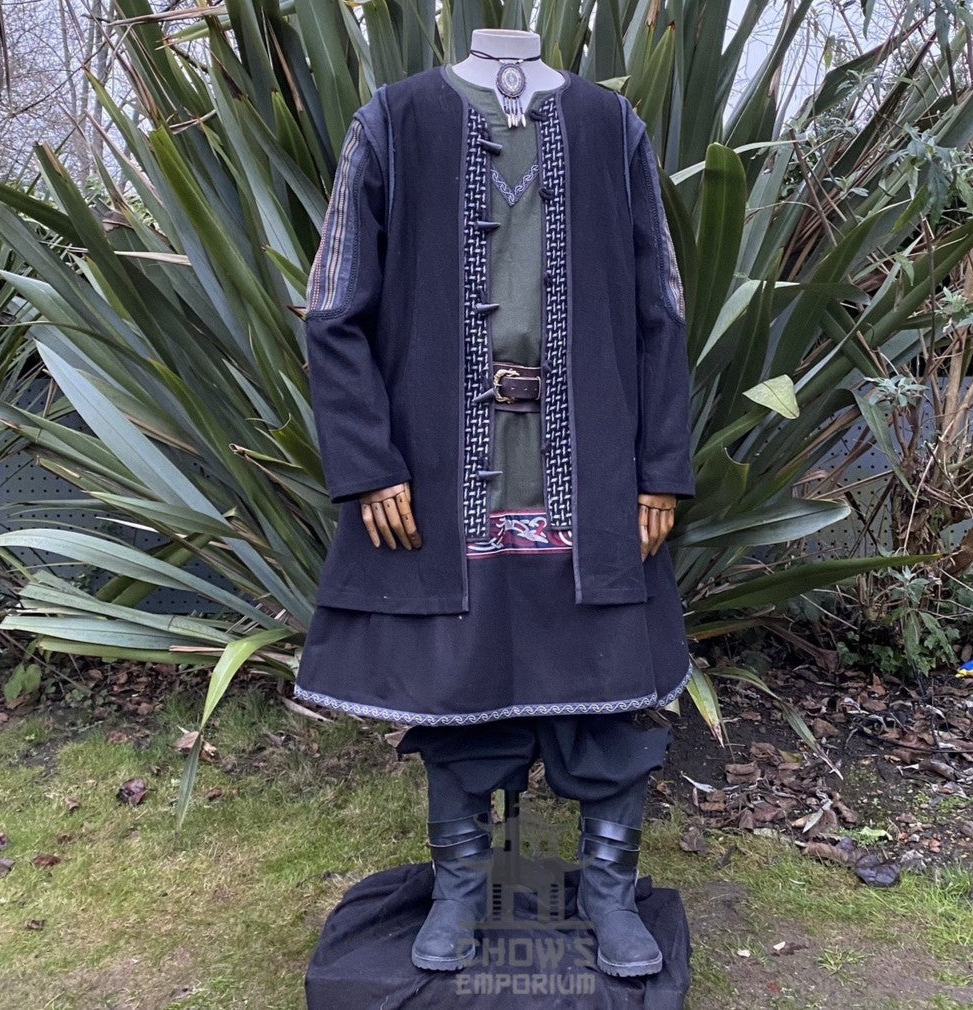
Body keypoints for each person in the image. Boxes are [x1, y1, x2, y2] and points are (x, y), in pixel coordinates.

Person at [295, 30, 696, 978]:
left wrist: (661, 468)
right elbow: (332, 307)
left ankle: (608, 889)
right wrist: (368, 464)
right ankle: (461, 885)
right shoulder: (392, 122)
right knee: (460, 695)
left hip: (591, 470)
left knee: (609, 692)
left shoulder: (612, 126)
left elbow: (661, 308)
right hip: (442, 478)